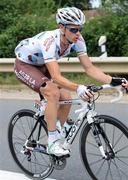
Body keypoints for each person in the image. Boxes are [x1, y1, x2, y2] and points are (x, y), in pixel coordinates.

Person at [14, 7, 127, 157]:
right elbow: (56, 76)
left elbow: (89, 68)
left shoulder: (78, 40)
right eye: (74, 30)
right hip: (25, 65)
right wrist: (79, 87)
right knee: (53, 93)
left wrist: (114, 80)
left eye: (80, 29)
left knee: (66, 96)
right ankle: (52, 142)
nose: (78, 33)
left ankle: (59, 127)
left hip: (43, 65)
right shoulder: (50, 41)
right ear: (62, 27)